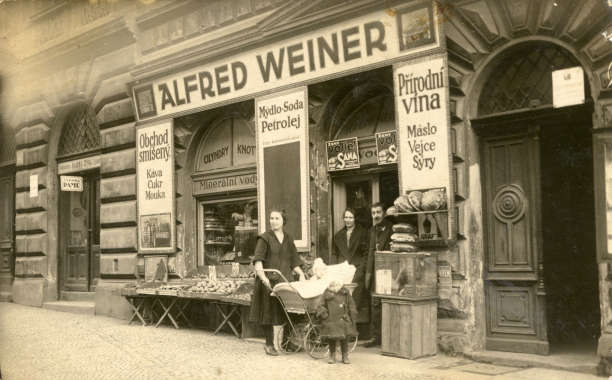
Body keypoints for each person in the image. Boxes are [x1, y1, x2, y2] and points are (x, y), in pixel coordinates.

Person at [249, 209, 306, 356]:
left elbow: (294, 261)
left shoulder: (288, 239)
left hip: (285, 281)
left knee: (288, 311)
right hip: (268, 281)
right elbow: (258, 262)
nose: (273, 221)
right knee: (268, 312)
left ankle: (287, 343)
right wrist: (264, 279)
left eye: (276, 218)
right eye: (271, 218)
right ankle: (269, 344)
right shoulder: (264, 238)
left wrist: (301, 275)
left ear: (283, 221)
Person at [364, 202, 393, 347]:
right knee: (374, 304)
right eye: (373, 213)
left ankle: (389, 337)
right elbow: (370, 253)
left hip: (388, 271)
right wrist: (368, 273)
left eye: (378, 212)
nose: (376, 215)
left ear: (384, 213)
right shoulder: (371, 231)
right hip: (376, 272)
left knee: (387, 302)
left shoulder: (391, 229)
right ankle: (376, 337)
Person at [332, 208, 368, 309]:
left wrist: (360, 269)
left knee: (355, 303)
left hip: (357, 272)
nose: (348, 220)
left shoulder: (362, 233)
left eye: (351, 217)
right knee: (342, 303)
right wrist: (336, 269)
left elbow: (366, 254)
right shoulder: (338, 236)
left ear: (355, 219)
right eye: (346, 217)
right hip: (343, 272)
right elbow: (334, 254)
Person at [316, 280, 358, 364]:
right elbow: (320, 305)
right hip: (331, 319)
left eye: (337, 284)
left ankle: (345, 356)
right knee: (331, 338)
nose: (335, 287)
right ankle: (332, 356)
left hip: (343, 318)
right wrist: (325, 315)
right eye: (333, 285)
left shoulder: (345, 292)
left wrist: (351, 315)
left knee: (345, 338)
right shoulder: (326, 293)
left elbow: (351, 304)